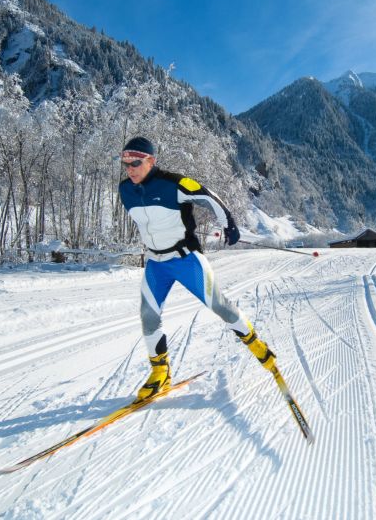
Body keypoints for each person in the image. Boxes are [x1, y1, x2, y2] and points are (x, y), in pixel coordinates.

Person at [118, 136, 276, 401]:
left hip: (186, 260)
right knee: (148, 316)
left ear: (151, 160)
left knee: (219, 306)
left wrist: (229, 224)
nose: (130, 168)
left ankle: (257, 345)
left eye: (136, 162)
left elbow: (208, 196)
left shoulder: (173, 183)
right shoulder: (125, 190)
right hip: (156, 264)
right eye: (126, 163)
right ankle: (160, 373)